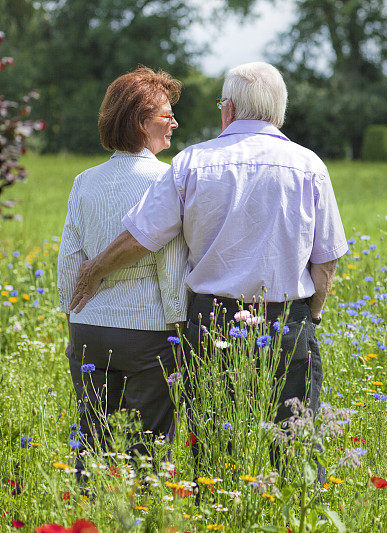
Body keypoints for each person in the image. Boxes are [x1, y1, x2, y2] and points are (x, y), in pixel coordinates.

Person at [68, 61, 348, 478]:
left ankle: (215, 508)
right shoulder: (309, 166)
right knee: (294, 439)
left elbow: (143, 237)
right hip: (287, 318)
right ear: (279, 112)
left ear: (229, 108)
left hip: (212, 318)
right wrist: (313, 315)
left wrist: (93, 270)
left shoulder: (192, 163)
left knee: (215, 441)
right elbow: (325, 259)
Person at [57, 67, 189, 480]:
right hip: (147, 333)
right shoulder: (167, 179)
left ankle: (85, 513)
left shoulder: (84, 180)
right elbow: (170, 265)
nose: (175, 123)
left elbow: (69, 259)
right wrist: (180, 334)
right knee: (149, 447)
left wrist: (72, 319)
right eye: (166, 115)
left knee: (93, 440)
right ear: (140, 122)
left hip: (89, 328)